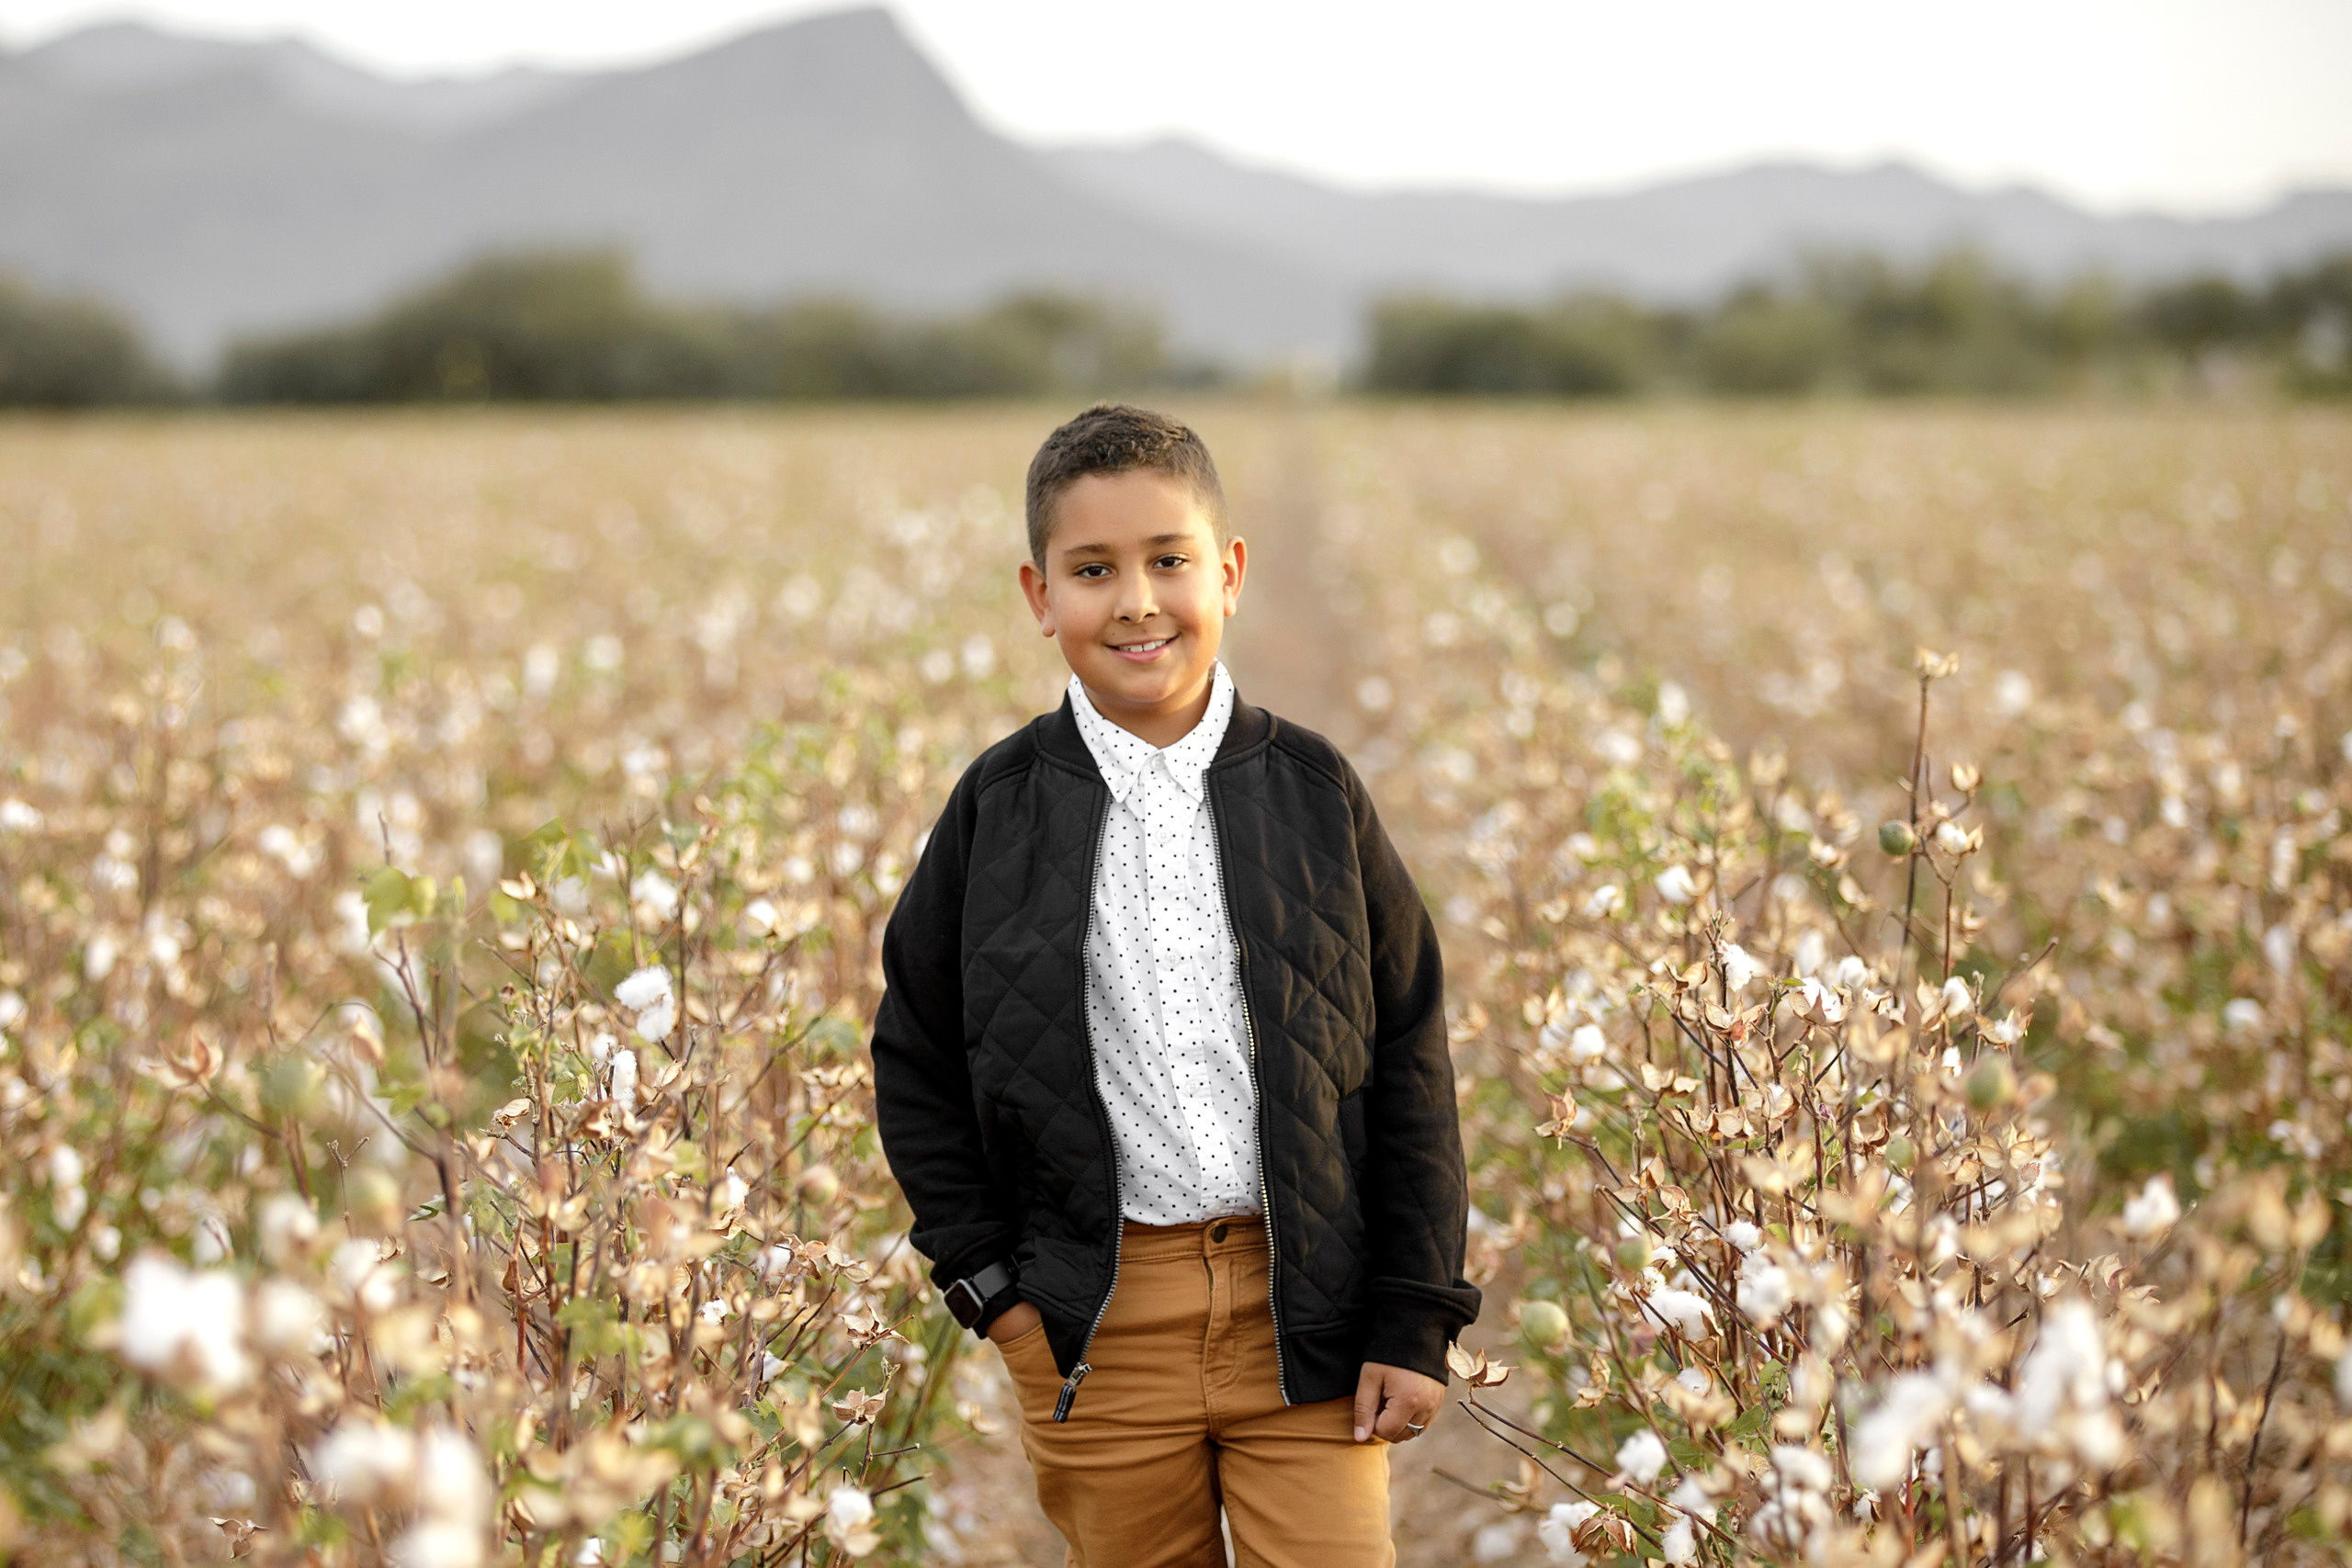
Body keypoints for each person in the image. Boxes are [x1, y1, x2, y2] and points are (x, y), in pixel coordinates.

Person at [871, 403, 1479, 1567]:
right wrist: (994, 1293)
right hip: (1098, 1322)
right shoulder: (996, 808)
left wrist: (1414, 1314)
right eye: (1092, 570)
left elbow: (1407, 1048)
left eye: (1169, 561)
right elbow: (916, 1052)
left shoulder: (1312, 790)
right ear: (1039, 597)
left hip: (1308, 1307)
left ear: (1230, 573)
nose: (1136, 601)